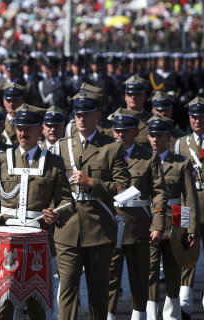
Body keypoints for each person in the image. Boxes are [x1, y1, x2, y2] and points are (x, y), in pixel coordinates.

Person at [0, 103, 73, 320]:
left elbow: (67, 200)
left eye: (28, 128)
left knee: (36, 305)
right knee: (3, 304)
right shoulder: (1, 159)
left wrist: (57, 213)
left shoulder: (54, 163)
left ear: (40, 130)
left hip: (38, 239)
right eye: (19, 127)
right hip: (5, 241)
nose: (22, 133)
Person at [54, 90, 131, 319]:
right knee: (67, 289)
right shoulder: (61, 147)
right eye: (78, 114)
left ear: (97, 115)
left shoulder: (112, 147)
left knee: (99, 293)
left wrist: (92, 183)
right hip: (67, 229)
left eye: (86, 114)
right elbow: (51, 186)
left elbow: (123, 189)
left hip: (98, 229)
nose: (81, 119)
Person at [107, 111, 168, 320]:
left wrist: (158, 223)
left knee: (140, 277)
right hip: (111, 225)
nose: (120, 135)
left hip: (139, 227)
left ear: (136, 131)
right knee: (109, 277)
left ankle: (139, 314)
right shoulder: (105, 154)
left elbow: (159, 192)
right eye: (117, 131)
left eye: (125, 131)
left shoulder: (148, 157)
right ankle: (109, 315)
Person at [146, 114, 200, 320]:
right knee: (150, 269)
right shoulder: (143, 162)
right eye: (151, 135)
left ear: (167, 137)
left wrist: (188, 229)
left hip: (175, 218)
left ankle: (172, 313)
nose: (154, 139)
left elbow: (189, 200)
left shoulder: (180, 164)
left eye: (159, 135)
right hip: (151, 220)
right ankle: (150, 314)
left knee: (172, 269)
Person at [174, 97, 204, 319]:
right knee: (185, 255)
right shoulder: (180, 144)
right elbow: (175, 181)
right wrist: (176, 217)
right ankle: (184, 304)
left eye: (201, 116)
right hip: (186, 207)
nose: (197, 120)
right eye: (193, 116)